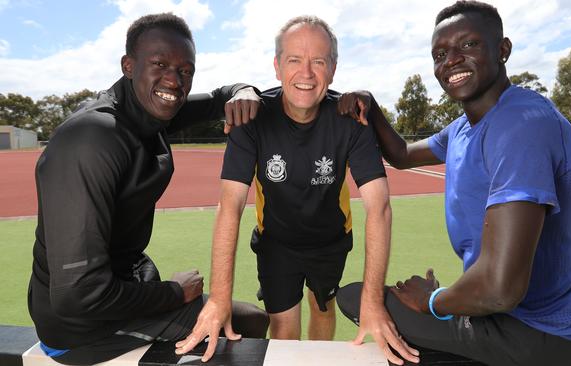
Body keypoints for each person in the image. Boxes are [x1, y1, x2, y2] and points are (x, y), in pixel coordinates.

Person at [336, 1, 571, 365]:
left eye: (469, 45)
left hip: (535, 336)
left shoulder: (523, 126)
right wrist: (371, 103)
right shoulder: (463, 127)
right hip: (501, 315)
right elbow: (401, 155)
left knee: (357, 299)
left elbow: (500, 291)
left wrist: (432, 300)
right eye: (440, 53)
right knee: (365, 299)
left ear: (503, 50)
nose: (452, 60)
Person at [175, 15, 420, 365]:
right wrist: (219, 300)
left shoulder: (353, 121)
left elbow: (378, 207)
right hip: (277, 242)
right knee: (285, 331)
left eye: (318, 61)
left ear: (332, 69)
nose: (306, 73)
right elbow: (229, 206)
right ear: (277, 66)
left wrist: (372, 303)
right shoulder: (251, 120)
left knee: (322, 312)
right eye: (294, 60)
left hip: (330, 241)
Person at [28, 13, 268, 365]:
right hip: (82, 328)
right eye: (160, 64)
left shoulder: (150, 111)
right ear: (129, 65)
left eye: (185, 70)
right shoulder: (91, 138)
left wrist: (244, 91)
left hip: (123, 279)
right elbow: (77, 295)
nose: (174, 80)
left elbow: (221, 98)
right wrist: (172, 293)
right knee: (250, 320)